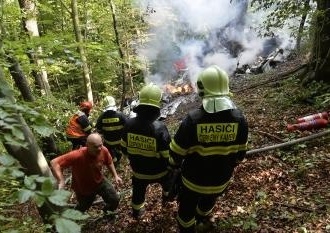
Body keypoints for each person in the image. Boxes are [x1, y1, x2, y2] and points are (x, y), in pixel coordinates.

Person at [169, 65, 249, 233]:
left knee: (185, 212)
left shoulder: (193, 120)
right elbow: (240, 156)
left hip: (193, 182)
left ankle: (188, 228)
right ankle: (202, 217)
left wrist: (174, 166)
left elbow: (176, 153)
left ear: (202, 89)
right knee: (208, 201)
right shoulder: (239, 118)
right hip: (221, 181)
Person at [121, 83, 172, 220]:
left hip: (138, 172)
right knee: (169, 181)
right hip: (160, 171)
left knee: (138, 192)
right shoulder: (160, 128)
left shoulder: (128, 124)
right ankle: (167, 198)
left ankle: (137, 212)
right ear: (157, 106)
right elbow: (167, 155)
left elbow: (123, 148)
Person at [50, 133, 122, 216]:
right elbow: (54, 162)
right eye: (95, 147)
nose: (99, 149)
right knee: (83, 207)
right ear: (87, 145)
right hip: (83, 188)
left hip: (99, 181)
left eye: (100, 145)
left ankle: (107, 213)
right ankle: (73, 217)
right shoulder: (78, 155)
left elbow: (109, 162)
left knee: (114, 199)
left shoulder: (103, 150)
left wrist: (115, 175)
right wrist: (61, 181)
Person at [96, 96, 127, 168]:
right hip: (120, 141)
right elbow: (127, 127)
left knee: (110, 151)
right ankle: (117, 157)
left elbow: (99, 130)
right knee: (119, 151)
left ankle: (114, 159)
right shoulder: (121, 115)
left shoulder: (101, 117)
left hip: (108, 141)